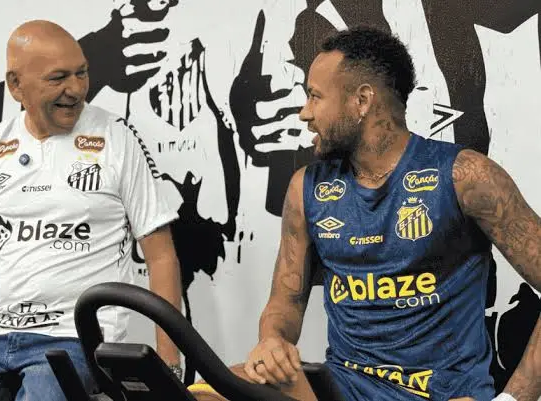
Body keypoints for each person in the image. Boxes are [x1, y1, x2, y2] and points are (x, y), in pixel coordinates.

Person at [231, 26, 541, 401]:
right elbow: (286, 302)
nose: (304, 113)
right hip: (343, 387)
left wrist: (512, 399)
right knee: (214, 390)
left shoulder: (465, 176)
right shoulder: (306, 188)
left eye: (315, 97)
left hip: (441, 394)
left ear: (362, 101)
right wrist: (272, 340)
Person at [0, 19, 183, 401]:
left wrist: (169, 367)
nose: (76, 89)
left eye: (81, 73)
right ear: (16, 85)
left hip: (74, 336)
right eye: (58, 78)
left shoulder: (117, 137)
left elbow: (160, 254)